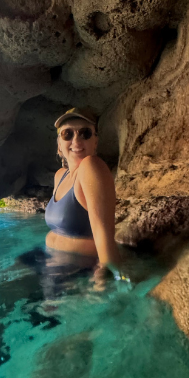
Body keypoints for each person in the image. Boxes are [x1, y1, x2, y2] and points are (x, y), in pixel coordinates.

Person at [45, 107, 128, 283]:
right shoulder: (60, 175)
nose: (76, 140)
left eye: (85, 133)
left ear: (95, 142)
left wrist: (109, 279)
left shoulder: (91, 166)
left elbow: (104, 236)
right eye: (67, 134)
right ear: (59, 144)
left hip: (78, 273)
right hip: (51, 263)